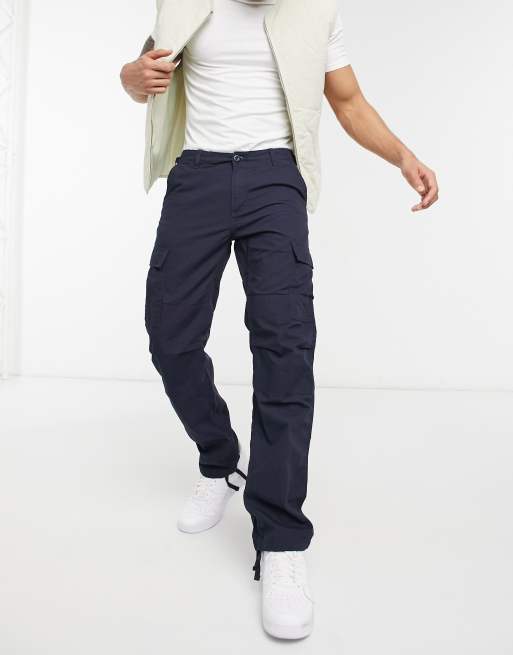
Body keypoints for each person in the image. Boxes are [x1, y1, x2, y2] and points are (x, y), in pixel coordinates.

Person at [120, 0, 438, 640]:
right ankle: (220, 460)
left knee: (286, 350)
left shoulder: (317, 13)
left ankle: (281, 540)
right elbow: (141, 75)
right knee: (171, 339)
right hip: (198, 174)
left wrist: (403, 156)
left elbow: (348, 100)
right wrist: (131, 77)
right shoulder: (184, 4)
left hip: (274, 178)